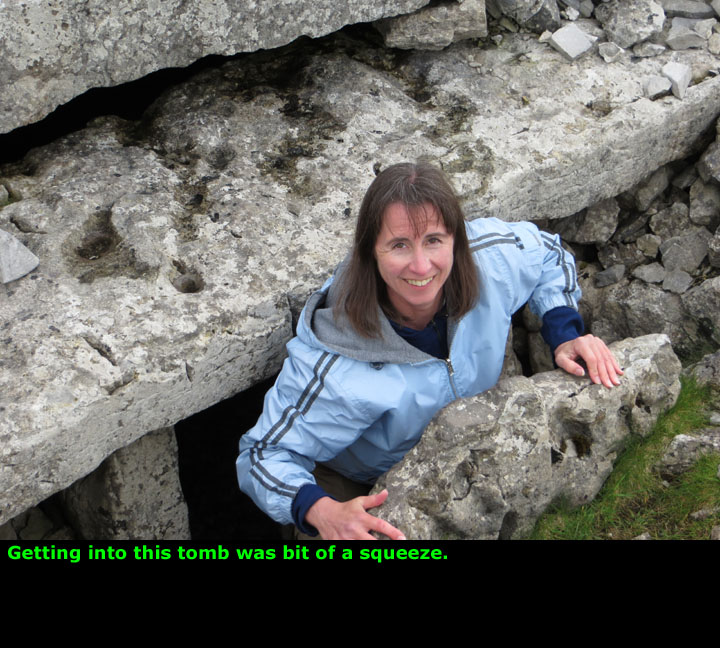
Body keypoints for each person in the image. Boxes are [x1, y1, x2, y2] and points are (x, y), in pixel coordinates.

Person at [236, 162, 623, 540]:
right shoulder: (334, 361)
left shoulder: (490, 261)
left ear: (457, 238)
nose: (421, 267)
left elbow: (548, 252)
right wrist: (321, 511)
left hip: (463, 445)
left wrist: (564, 333)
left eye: (434, 240)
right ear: (370, 252)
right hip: (352, 478)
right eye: (399, 245)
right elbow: (261, 456)